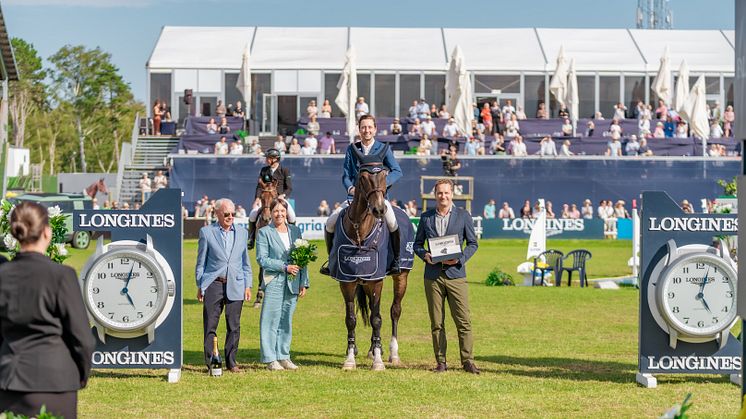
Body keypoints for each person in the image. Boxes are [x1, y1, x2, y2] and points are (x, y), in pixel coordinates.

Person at [0, 202, 95, 418]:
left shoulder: (3, 274)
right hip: (56, 381)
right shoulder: (62, 276)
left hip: (10, 380)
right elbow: (82, 338)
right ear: (46, 232)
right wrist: (80, 374)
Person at [321, 114, 403, 276]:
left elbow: (397, 171)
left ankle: (396, 260)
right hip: (355, 198)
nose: (367, 130)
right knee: (330, 223)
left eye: (370, 127)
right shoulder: (352, 149)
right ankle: (332, 261)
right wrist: (350, 188)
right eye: (363, 127)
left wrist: (382, 186)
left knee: (393, 222)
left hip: (377, 198)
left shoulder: (383, 148)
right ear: (359, 129)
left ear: (375, 129)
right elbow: (346, 175)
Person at [413, 179, 479, 374]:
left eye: (447, 193)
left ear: (452, 194)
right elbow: (417, 244)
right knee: (436, 322)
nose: (443, 196)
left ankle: (467, 361)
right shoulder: (426, 218)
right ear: (435, 195)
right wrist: (424, 255)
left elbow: (473, 244)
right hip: (433, 276)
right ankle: (441, 361)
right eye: (440, 193)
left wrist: (459, 259)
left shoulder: (463, 216)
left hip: (456, 275)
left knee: (463, 320)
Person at [195, 198, 252, 373]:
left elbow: (245, 262)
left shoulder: (242, 233)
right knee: (210, 324)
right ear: (217, 213)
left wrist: (248, 285)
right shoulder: (206, 232)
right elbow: (200, 262)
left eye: (232, 214)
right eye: (226, 214)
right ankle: (211, 361)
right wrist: (201, 284)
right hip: (213, 284)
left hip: (236, 284)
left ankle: (231, 361)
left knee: (234, 325)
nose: (230, 217)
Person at [255, 198, 309, 371]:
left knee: (286, 321)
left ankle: (283, 356)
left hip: (293, 282)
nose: (279, 214)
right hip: (274, 281)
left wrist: (304, 282)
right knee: (270, 321)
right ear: (270, 213)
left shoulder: (295, 231)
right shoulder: (264, 232)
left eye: (282, 211)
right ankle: (270, 358)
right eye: (276, 211)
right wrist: (284, 267)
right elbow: (262, 259)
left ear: (287, 213)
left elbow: (303, 258)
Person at [248, 148, 293, 249]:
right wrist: (257, 199)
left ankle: (294, 238)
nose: (266, 160)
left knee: (292, 216)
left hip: (281, 199)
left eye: (268, 158)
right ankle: (251, 239)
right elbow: (259, 186)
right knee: (253, 215)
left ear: (275, 159)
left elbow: (289, 187)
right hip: (266, 199)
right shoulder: (264, 170)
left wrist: (283, 195)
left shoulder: (284, 170)